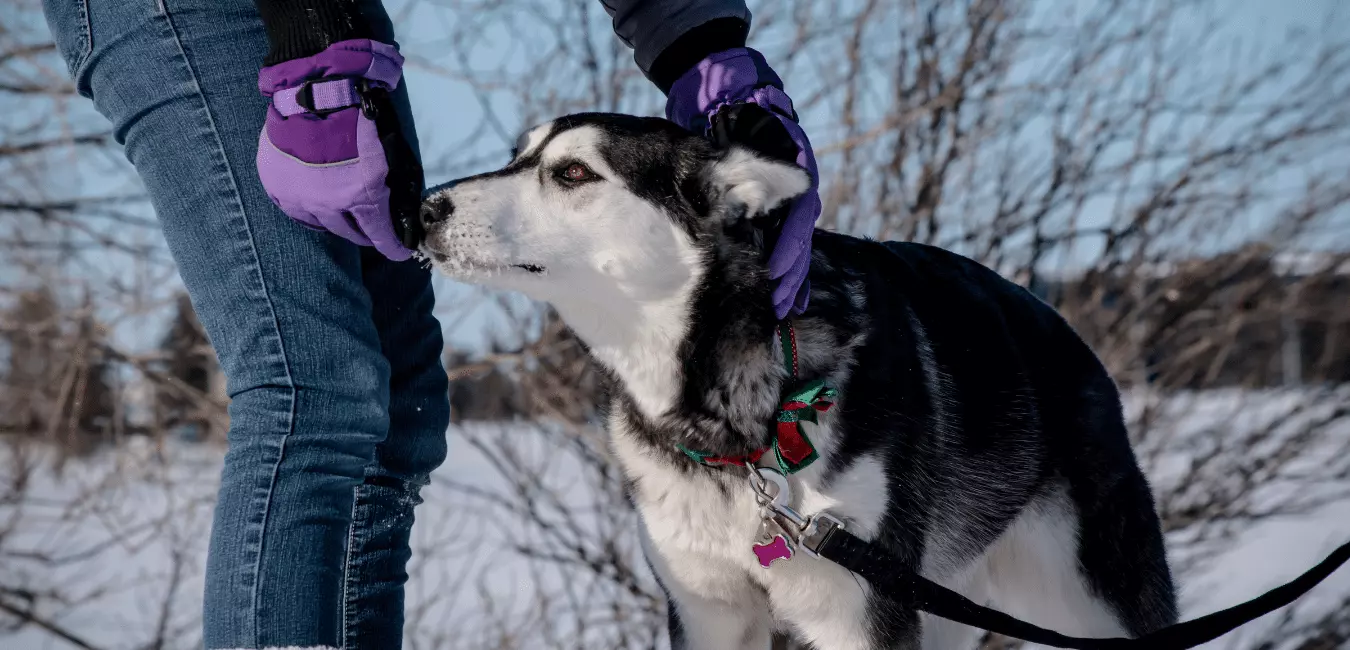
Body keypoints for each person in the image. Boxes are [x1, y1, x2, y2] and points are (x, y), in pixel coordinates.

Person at [39, 0, 821, 647]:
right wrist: (311, 32)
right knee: (313, 389)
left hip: (330, 23)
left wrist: (703, 49)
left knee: (396, 418)